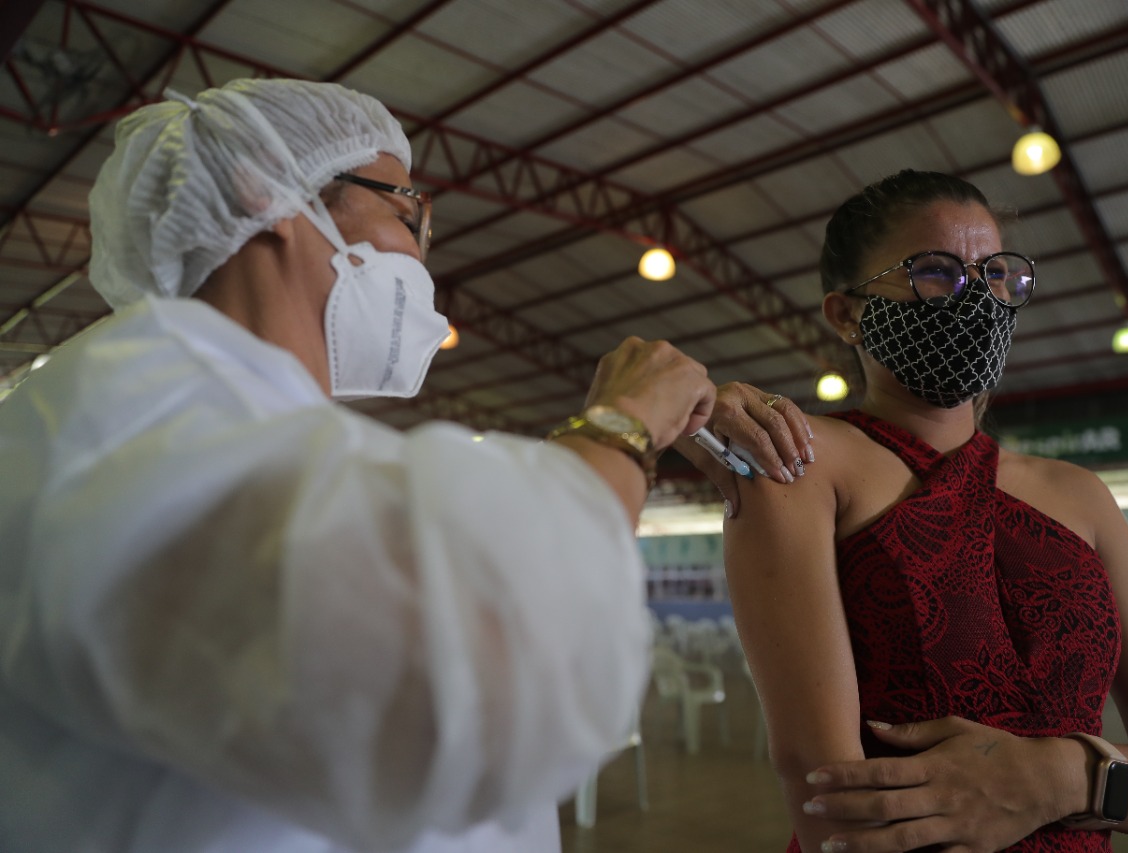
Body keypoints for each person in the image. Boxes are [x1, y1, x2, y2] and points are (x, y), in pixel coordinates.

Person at [0, 78, 719, 853]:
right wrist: (621, 428)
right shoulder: (133, 402)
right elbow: (475, 687)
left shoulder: (230, 421)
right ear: (263, 192)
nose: (418, 255)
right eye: (405, 211)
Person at [717, 170, 1128, 853]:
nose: (976, 299)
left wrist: (1059, 775)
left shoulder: (1080, 495)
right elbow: (828, 794)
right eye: (934, 273)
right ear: (845, 314)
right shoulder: (798, 461)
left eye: (997, 274)